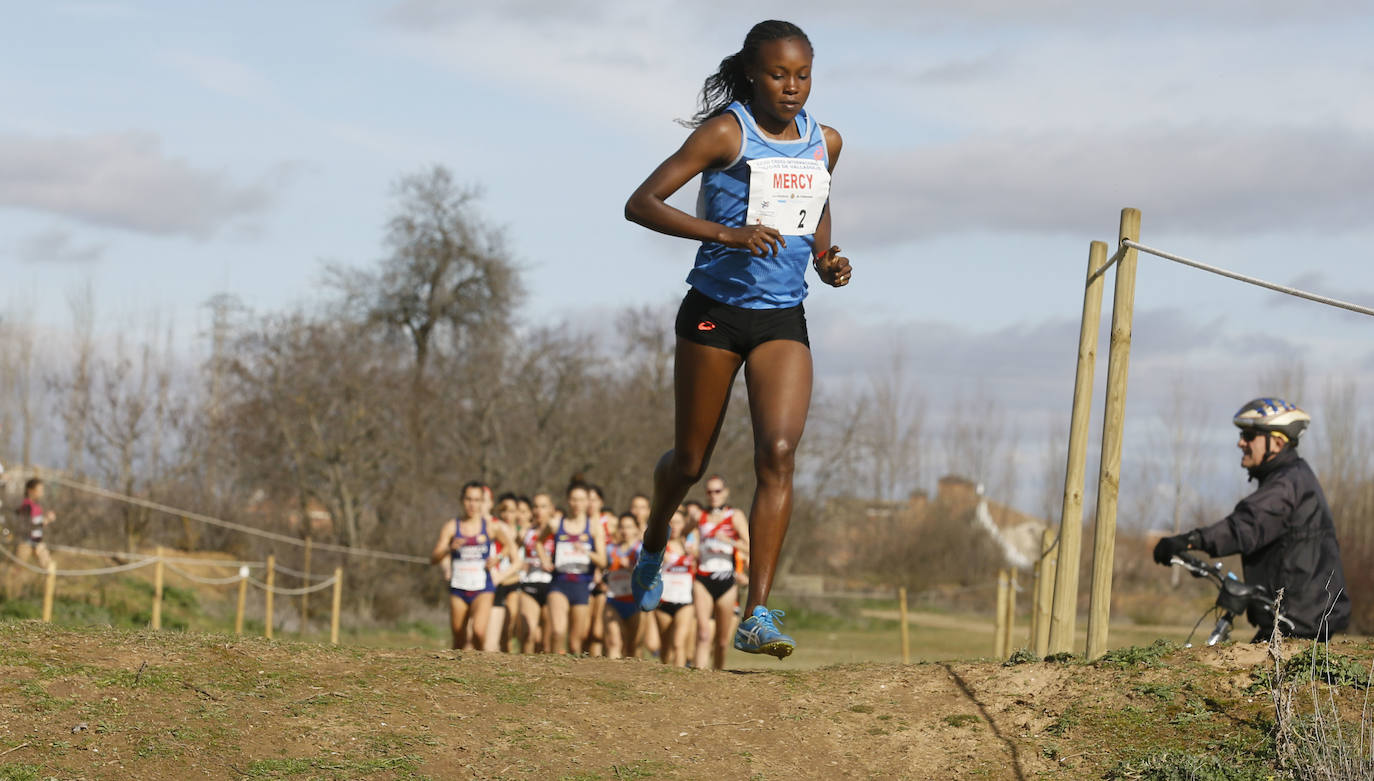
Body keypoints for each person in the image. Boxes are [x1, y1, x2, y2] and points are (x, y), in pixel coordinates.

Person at [624, 19, 850, 660]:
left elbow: (817, 208)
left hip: (782, 317)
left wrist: (825, 259)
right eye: (778, 74)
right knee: (690, 463)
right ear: (753, 74)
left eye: (802, 75)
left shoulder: (826, 141)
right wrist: (729, 234)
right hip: (715, 314)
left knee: (777, 453)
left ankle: (756, 614)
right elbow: (642, 203)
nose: (792, 87)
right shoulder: (727, 132)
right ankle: (655, 538)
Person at [1152, 398, 1351, 641]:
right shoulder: (1292, 478)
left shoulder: (1286, 485)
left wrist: (1189, 540)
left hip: (1299, 624)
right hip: (1296, 619)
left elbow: (1245, 526)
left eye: (1249, 436)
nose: (1240, 443)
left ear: (1277, 442)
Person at [431, 481, 515, 650]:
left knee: (478, 631)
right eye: (469, 499)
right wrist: (449, 548)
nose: (472, 504)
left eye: (477, 500)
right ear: (462, 500)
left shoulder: (490, 526)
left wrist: (498, 558)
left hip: (483, 588)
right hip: (459, 587)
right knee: (459, 635)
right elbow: (434, 558)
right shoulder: (452, 526)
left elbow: (508, 546)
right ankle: (458, 664)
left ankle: (478, 663)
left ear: (482, 502)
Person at [538, 483, 607, 655]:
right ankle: (554, 666)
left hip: (582, 585)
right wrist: (544, 559)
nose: (577, 504)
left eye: (581, 500)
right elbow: (538, 542)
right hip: (559, 583)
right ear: (568, 501)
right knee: (558, 631)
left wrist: (586, 551)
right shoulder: (556, 524)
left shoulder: (594, 527)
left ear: (587, 502)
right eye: (574, 499)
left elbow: (603, 561)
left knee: (576, 642)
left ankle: (570, 672)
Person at [693, 476, 750, 670]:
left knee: (722, 641)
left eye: (717, 491)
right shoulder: (699, 516)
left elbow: (750, 547)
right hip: (703, 578)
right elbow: (681, 533)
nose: (713, 495)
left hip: (726, 580)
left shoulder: (735, 515)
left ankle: (718, 678)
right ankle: (697, 676)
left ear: (725, 492)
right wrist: (689, 546)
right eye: (709, 491)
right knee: (703, 634)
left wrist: (729, 541)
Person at [653, 508, 697, 667]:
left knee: (678, 643)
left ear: (684, 524)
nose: (674, 526)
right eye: (671, 523)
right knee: (666, 647)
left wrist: (694, 554)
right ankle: (667, 674)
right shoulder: (660, 546)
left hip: (685, 602)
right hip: (664, 601)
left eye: (678, 522)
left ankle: (680, 677)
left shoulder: (691, 546)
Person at [517, 494, 557, 653]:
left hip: (552, 585)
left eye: (543, 506)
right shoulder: (525, 532)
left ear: (551, 509)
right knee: (529, 634)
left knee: (545, 642)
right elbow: (512, 553)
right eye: (536, 506)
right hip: (530, 583)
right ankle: (522, 667)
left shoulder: (557, 531)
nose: (539, 510)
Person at [486, 492, 525, 652]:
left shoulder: (522, 531)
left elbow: (519, 560)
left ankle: (509, 654)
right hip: (496, 582)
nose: (508, 515)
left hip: (514, 581)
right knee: (498, 627)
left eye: (512, 511)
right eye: (504, 510)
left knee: (510, 624)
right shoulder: (497, 527)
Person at [603, 512, 643, 660]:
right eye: (622, 527)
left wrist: (631, 568)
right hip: (613, 600)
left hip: (635, 602)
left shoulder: (641, 550)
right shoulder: (610, 549)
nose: (625, 531)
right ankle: (612, 673)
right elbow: (601, 566)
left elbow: (649, 574)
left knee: (633, 647)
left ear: (637, 529)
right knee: (614, 643)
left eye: (629, 527)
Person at [16, 478, 54, 569]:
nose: (42, 493)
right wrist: (46, 520)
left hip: (37, 542)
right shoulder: (26, 506)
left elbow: (36, 522)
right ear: (30, 491)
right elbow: (27, 526)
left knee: (49, 567)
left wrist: (45, 519)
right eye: (39, 490)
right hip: (26, 542)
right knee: (16, 570)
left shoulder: (36, 506)